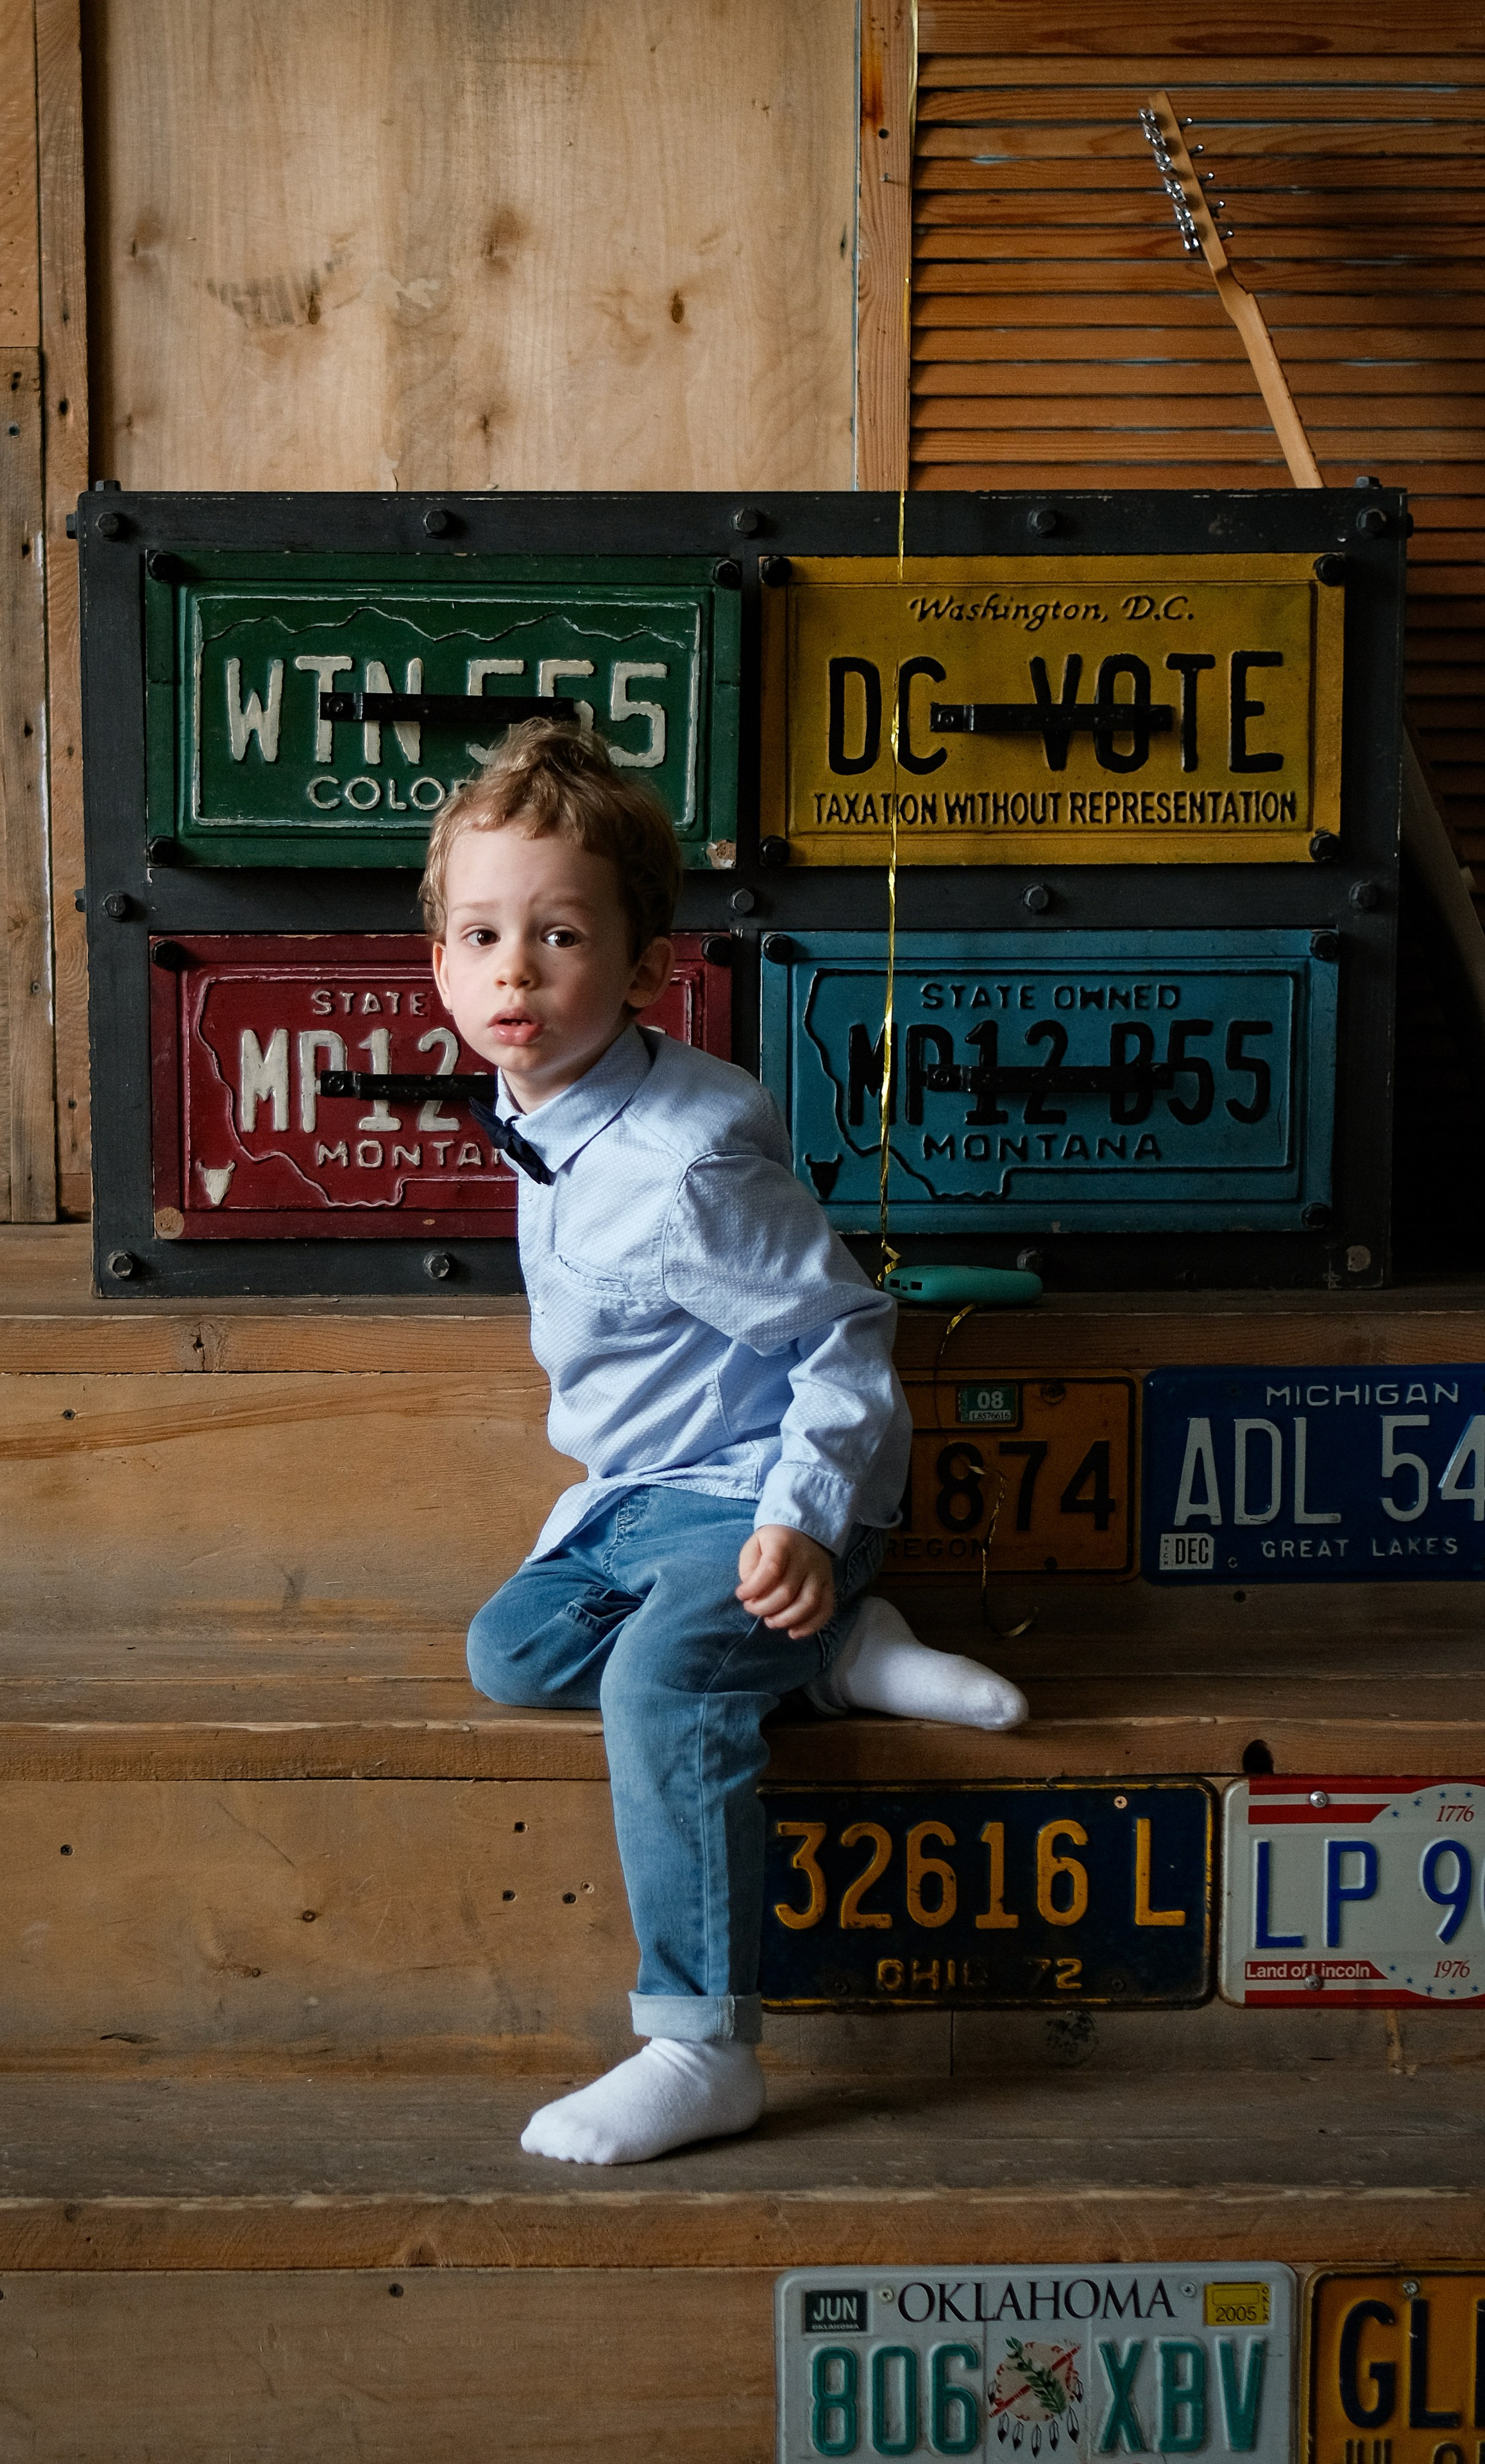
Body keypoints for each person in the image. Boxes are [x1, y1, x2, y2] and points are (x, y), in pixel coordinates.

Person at [425, 720, 1026, 2167]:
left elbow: (839, 1339)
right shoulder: (543, 1096)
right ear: (437, 960)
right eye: (479, 933)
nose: (513, 971)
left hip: (761, 1490)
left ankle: (696, 2043)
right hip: (634, 1497)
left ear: (639, 971)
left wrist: (806, 1522)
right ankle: (828, 1656)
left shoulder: (683, 1160)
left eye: (558, 936)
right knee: (507, 1654)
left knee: (662, 1675)